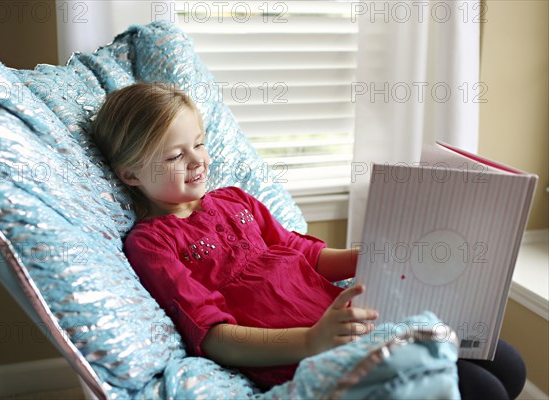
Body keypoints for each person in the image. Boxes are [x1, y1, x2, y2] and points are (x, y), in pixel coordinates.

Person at [92, 82, 526, 398]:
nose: (197, 161)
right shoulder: (151, 243)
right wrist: (311, 341)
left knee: (506, 362)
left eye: (199, 144)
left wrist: (366, 256)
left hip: (357, 325)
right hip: (307, 354)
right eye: (174, 155)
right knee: (481, 391)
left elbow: (309, 255)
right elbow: (214, 335)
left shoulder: (235, 201)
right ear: (130, 174)